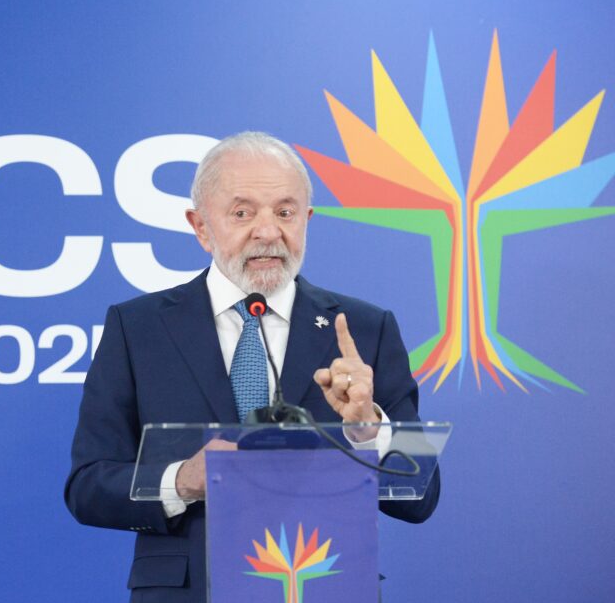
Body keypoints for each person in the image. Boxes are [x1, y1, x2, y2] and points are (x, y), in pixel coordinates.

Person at [65, 131, 440, 602]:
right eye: (242, 213)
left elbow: (421, 498)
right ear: (201, 226)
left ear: (306, 220)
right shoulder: (136, 329)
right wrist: (182, 480)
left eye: (284, 212)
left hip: (326, 587)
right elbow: (88, 485)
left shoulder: (364, 329)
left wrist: (368, 430)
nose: (267, 231)